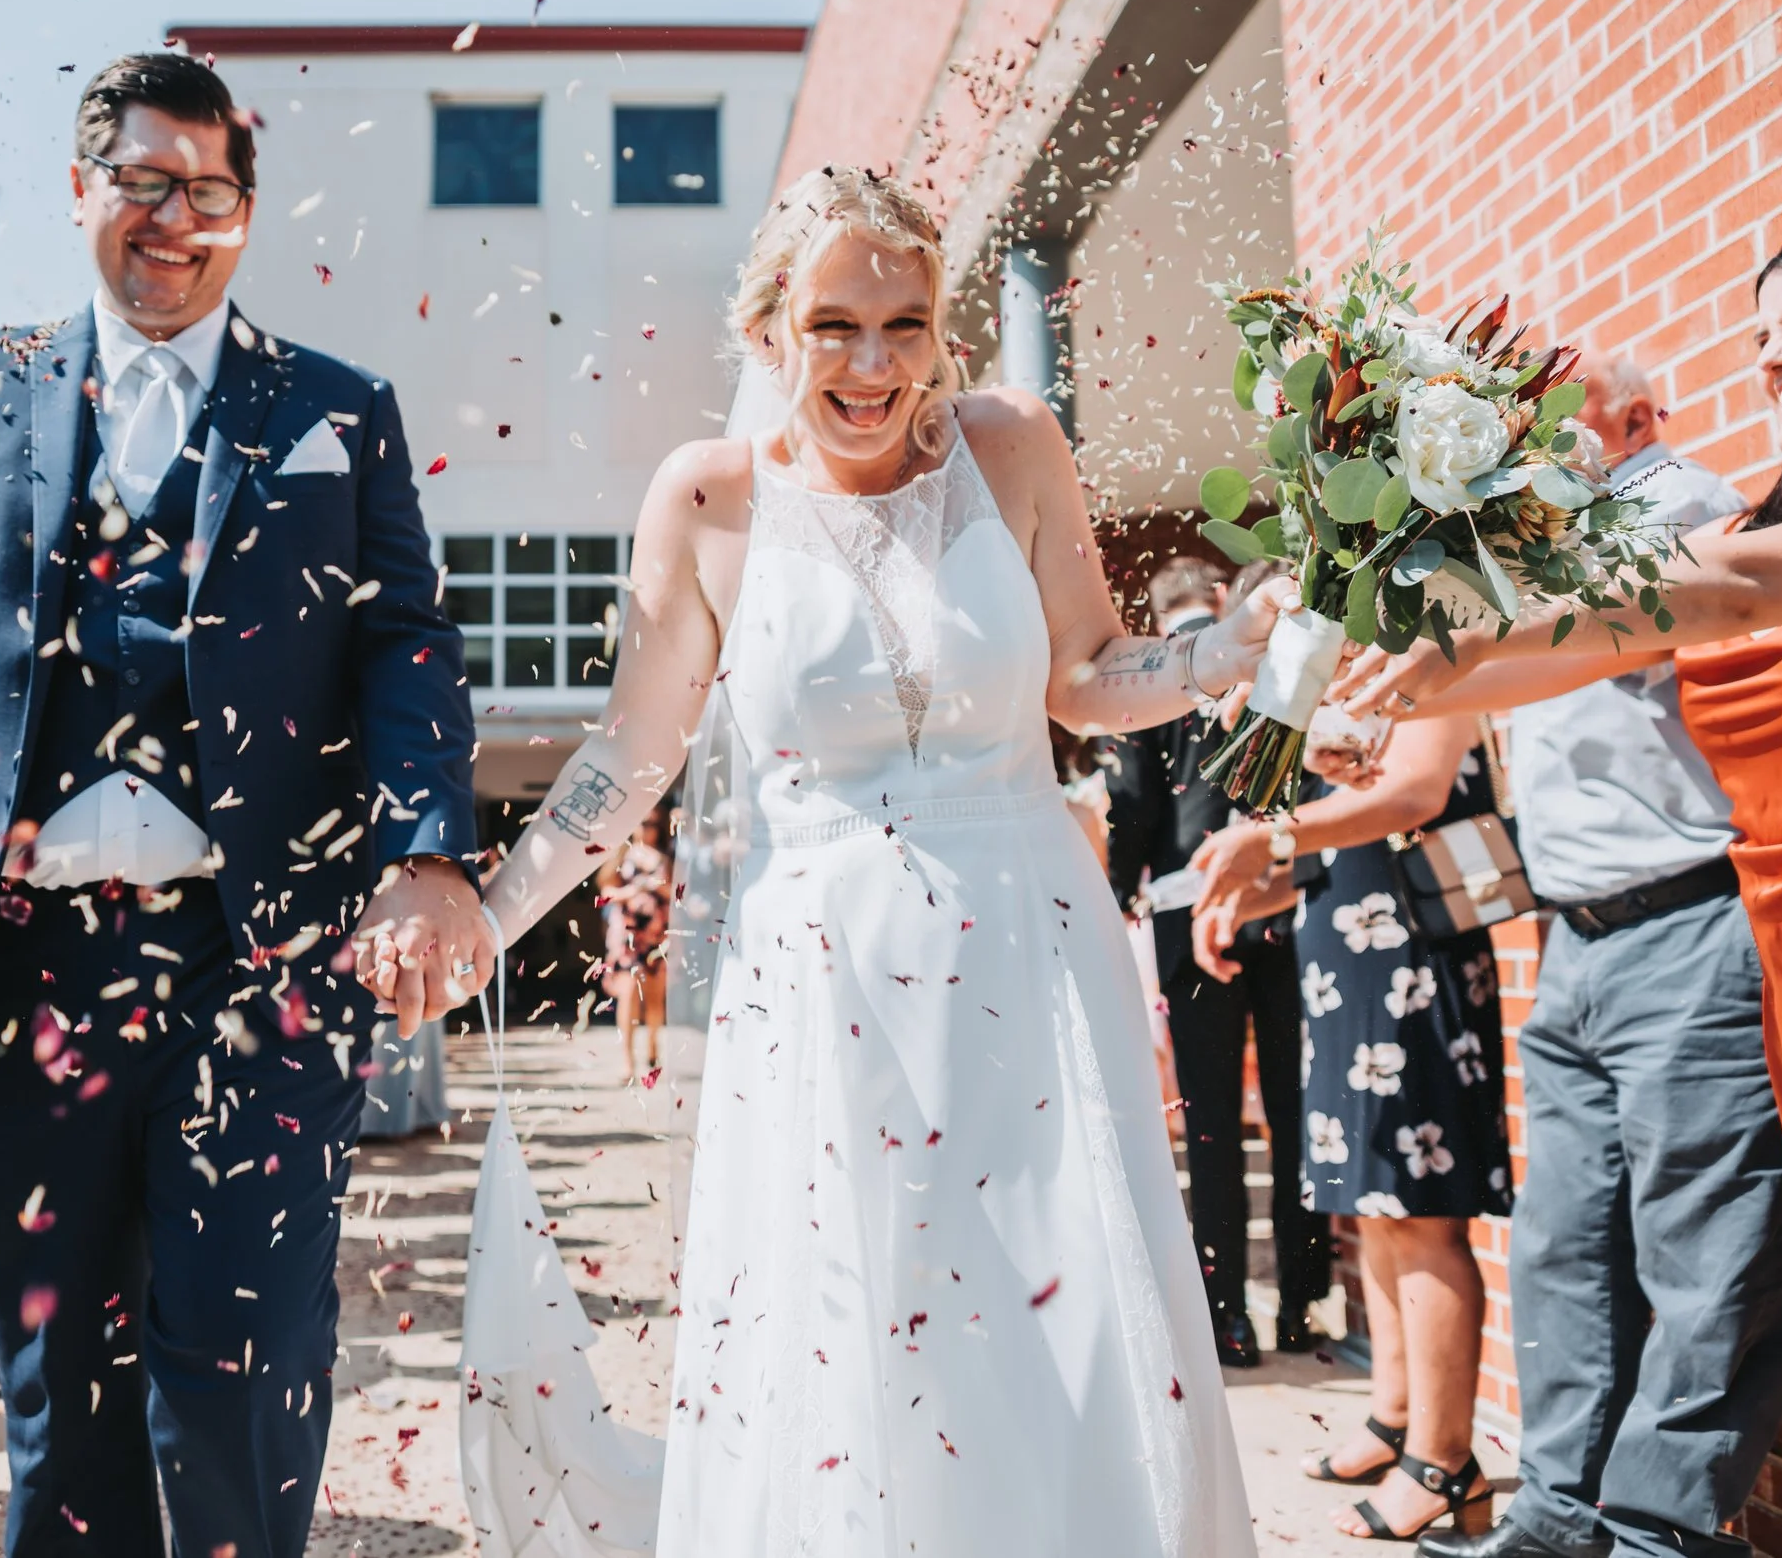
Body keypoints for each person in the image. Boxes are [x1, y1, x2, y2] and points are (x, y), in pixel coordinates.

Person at [0, 52, 486, 1558]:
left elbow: (404, 644)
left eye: (206, 191)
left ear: (248, 215)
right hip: (25, 974)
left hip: (259, 968)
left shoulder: (339, 410)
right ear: (83, 192)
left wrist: (425, 850)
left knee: (239, 1371)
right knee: (61, 1390)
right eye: (141, 182)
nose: (172, 219)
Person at [463, 164, 1301, 1555]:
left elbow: (1089, 673)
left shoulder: (1015, 442)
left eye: (903, 325)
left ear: (942, 328)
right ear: (769, 327)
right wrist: (492, 917)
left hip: (1032, 948)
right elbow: (634, 754)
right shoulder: (709, 500)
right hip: (822, 978)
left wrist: (1219, 655)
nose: (870, 363)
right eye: (833, 325)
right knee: (856, 1327)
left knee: (1062, 1313)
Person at [1336, 221, 1782, 1542]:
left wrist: (1451, 627)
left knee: (1713, 1280)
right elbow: (1560, 656)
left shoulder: (1700, 521)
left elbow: (1704, 594)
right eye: (1760, 335)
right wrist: (1391, 672)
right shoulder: (1770, 513)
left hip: (1727, 931)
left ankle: (1647, 1539)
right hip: (1705, 952)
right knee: (1577, 1264)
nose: (1774, 352)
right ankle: (1559, 1526)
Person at [1191, 714, 1511, 1543]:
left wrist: (1264, 838)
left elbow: (1415, 793)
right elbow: (1345, 853)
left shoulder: (1436, 635)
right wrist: (1246, 894)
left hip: (1415, 956)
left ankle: (1445, 1462)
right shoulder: (1357, 685)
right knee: (1374, 1204)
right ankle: (1395, 1419)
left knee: (1422, 1207)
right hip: (1352, 962)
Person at [1105, 555, 1328, 1368]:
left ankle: (1227, 1313)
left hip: (1186, 909)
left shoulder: (1159, 680)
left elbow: (1131, 803)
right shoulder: (1272, 655)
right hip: (1283, 896)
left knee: (1211, 1128)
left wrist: (1117, 891)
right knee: (1293, 1107)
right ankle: (1303, 1304)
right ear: (1214, 601)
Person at [597, 803, 672, 1082]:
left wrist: (658, 884)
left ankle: (652, 1046)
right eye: (642, 822)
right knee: (628, 995)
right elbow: (605, 890)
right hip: (627, 936)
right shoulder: (623, 854)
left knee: (654, 1000)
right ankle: (627, 1061)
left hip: (656, 934)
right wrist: (633, 889)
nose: (646, 829)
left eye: (652, 824)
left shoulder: (665, 857)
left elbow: (676, 892)